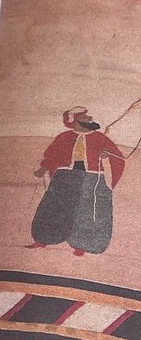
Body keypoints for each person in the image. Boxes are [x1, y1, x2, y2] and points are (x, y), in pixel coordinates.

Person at [28, 106, 124, 257]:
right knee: (53, 206)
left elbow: (118, 157)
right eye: (85, 118)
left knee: (88, 211)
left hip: (92, 177)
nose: (90, 119)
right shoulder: (63, 137)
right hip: (65, 176)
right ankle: (43, 238)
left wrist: (106, 154)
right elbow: (51, 156)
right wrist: (43, 168)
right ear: (76, 121)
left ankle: (83, 245)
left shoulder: (100, 138)